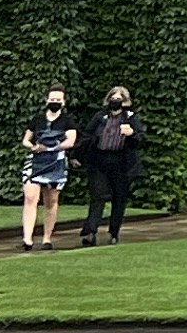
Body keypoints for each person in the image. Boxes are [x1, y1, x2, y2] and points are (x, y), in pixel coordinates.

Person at [79, 85, 141, 245]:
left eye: (119, 98)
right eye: (113, 98)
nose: (115, 101)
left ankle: (114, 232)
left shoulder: (131, 118)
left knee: (119, 198)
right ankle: (90, 231)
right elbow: (87, 135)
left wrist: (132, 134)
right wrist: (80, 155)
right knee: (98, 195)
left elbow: (141, 139)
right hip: (100, 160)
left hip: (121, 162)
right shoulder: (100, 117)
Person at [19, 88, 75, 251]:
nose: (55, 103)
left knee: (51, 201)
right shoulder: (37, 119)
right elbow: (26, 140)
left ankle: (47, 238)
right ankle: (27, 238)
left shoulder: (67, 121)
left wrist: (53, 148)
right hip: (36, 162)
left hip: (56, 163)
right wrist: (34, 147)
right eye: (52, 99)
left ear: (63, 102)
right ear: (46, 100)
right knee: (30, 197)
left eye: (58, 100)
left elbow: (71, 140)